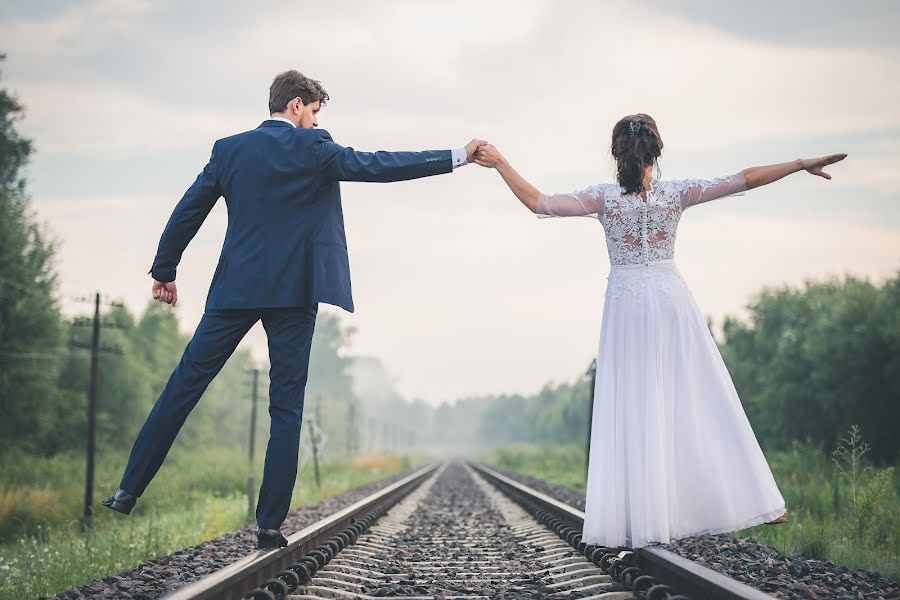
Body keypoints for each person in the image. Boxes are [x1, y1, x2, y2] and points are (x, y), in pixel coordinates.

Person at [101, 69, 487, 549]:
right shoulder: (315, 149)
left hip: (234, 291)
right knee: (285, 406)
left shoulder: (229, 150)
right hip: (292, 294)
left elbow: (189, 208)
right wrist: (455, 157)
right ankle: (268, 524)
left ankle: (126, 489)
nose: (314, 121)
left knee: (184, 385)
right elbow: (378, 165)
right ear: (298, 105)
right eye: (314, 112)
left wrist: (165, 270)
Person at [473, 114, 846, 548]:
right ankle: (738, 497)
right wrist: (800, 162)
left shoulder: (604, 198)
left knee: (635, 404)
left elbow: (539, 201)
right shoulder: (676, 193)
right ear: (657, 152)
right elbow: (744, 179)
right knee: (696, 397)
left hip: (628, 306)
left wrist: (501, 163)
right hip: (670, 302)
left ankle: (644, 514)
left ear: (616, 154)